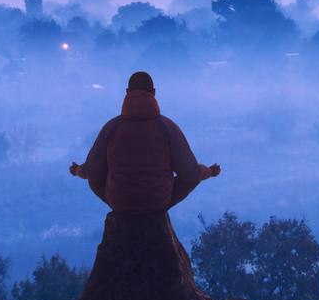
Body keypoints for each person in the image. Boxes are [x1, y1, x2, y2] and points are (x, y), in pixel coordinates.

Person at [69, 71, 220, 212]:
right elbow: (189, 173)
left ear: (127, 93)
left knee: (93, 179)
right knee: (191, 179)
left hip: (120, 202)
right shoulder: (168, 128)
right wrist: (209, 172)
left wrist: (77, 170)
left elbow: (92, 170)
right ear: (154, 93)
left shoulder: (112, 127)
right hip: (158, 202)